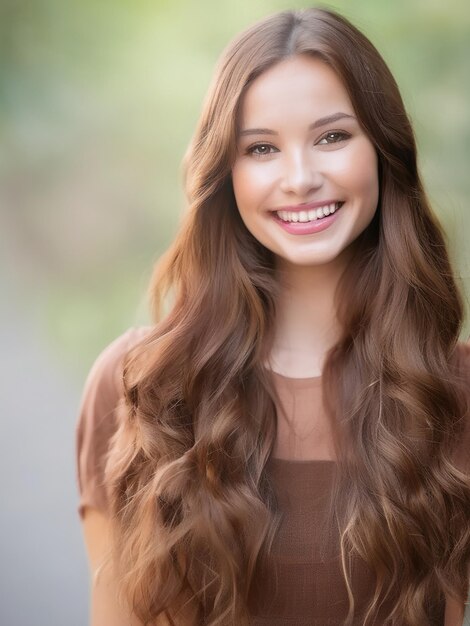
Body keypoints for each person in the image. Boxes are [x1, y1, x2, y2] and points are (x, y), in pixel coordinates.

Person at [76, 7, 470, 625]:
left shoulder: (453, 390)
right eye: (261, 148)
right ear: (225, 175)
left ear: (383, 150)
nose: (300, 177)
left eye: (332, 137)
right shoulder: (139, 388)